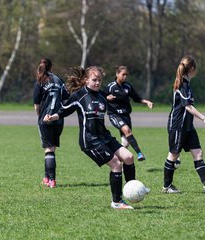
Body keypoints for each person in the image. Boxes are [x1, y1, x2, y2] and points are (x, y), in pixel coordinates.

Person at [43, 66, 137, 209]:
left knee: (129, 157)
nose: (98, 83)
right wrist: (52, 117)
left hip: (105, 136)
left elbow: (112, 114)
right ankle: (117, 202)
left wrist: (122, 125)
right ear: (86, 80)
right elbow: (64, 111)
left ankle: (133, 189)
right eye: (94, 80)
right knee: (116, 164)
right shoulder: (79, 96)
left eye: (100, 80)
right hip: (90, 141)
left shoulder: (101, 96)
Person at [162, 55, 205, 194]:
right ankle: (167, 187)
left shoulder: (186, 84)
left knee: (198, 152)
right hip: (178, 126)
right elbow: (188, 107)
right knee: (173, 154)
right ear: (192, 69)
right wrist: (204, 119)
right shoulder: (183, 85)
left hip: (188, 126)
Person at [33, 58, 70, 188]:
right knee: (51, 149)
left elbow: (36, 105)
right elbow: (66, 99)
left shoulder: (40, 82)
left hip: (45, 119)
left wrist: (40, 116)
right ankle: (46, 177)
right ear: (51, 67)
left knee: (49, 149)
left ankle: (52, 180)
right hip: (58, 119)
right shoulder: (59, 80)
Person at [105, 65, 154, 161]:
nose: (125, 77)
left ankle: (117, 162)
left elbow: (137, 98)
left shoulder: (128, 86)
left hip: (126, 116)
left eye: (126, 75)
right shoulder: (110, 87)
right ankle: (139, 153)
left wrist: (147, 102)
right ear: (117, 74)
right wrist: (107, 97)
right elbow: (102, 97)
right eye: (123, 74)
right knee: (127, 130)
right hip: (114, 115)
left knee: (125, 143)